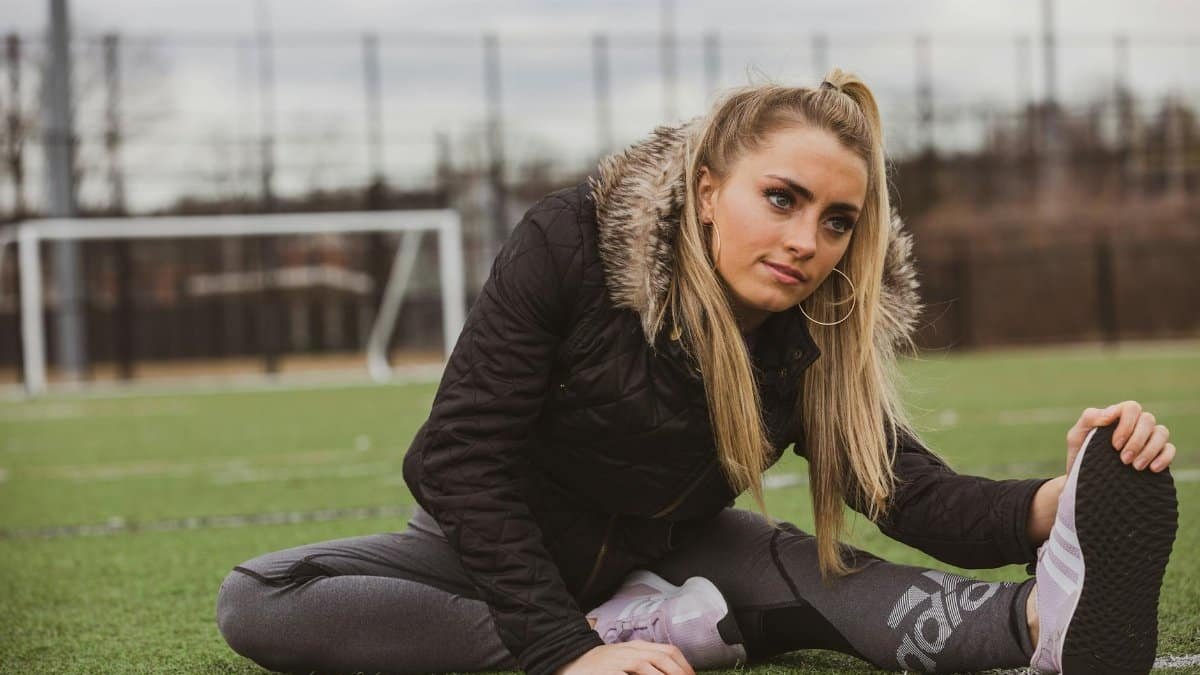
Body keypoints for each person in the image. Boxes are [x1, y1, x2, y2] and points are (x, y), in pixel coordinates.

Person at [215, 70, 1179, 675]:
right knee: (259, 599)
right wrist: (566, 651)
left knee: (825, 571)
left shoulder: (816, 329)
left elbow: (908, 494)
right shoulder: (570, 244)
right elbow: (458, 460)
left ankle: (1041, 621)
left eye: (837, 220)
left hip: (680, 547)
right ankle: (625, 637)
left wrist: (1069, 496)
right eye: (782, 198)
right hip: (488, 550)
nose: (808, 240)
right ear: (709, 190)